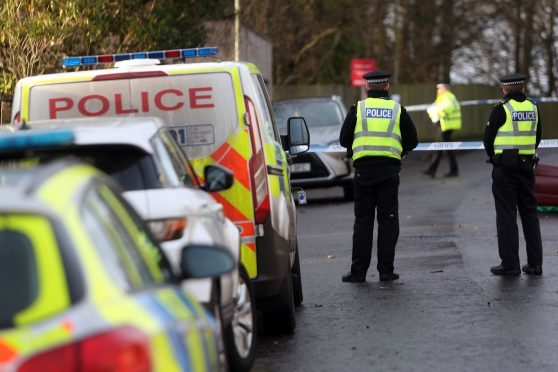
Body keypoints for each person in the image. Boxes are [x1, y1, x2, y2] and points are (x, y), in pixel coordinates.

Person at [339, 70, 418, 282]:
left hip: (363, 171)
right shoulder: (397, 110)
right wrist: (399, 151)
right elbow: (413, 140)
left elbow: (344, 138)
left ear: (367, 88)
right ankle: (386, 271)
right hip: (389, 172)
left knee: (363, 221)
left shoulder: (358, 109)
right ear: (387, 87)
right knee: (388, 221)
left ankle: (358, 272)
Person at [484, 73, 543, 276]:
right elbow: (538, 136)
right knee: (529, 213)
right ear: (524, 89)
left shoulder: (501, 109)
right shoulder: (533, 108)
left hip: (505, 168)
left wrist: (495, 158)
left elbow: (488, 139)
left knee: (507, 215)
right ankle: (535, 264)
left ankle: (510, 265)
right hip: (527, 167)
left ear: (505, 90)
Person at [423, 83, 462, 178]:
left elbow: (446, 109)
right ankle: (434, 169)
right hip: (446, 124)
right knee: (442, 147)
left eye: (439, 88)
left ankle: (449, 170)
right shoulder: (446, 96)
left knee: (441, 146)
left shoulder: (447, 97)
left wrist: (435, 113)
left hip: (445, 125)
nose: (437, 90)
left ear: (444, 89)